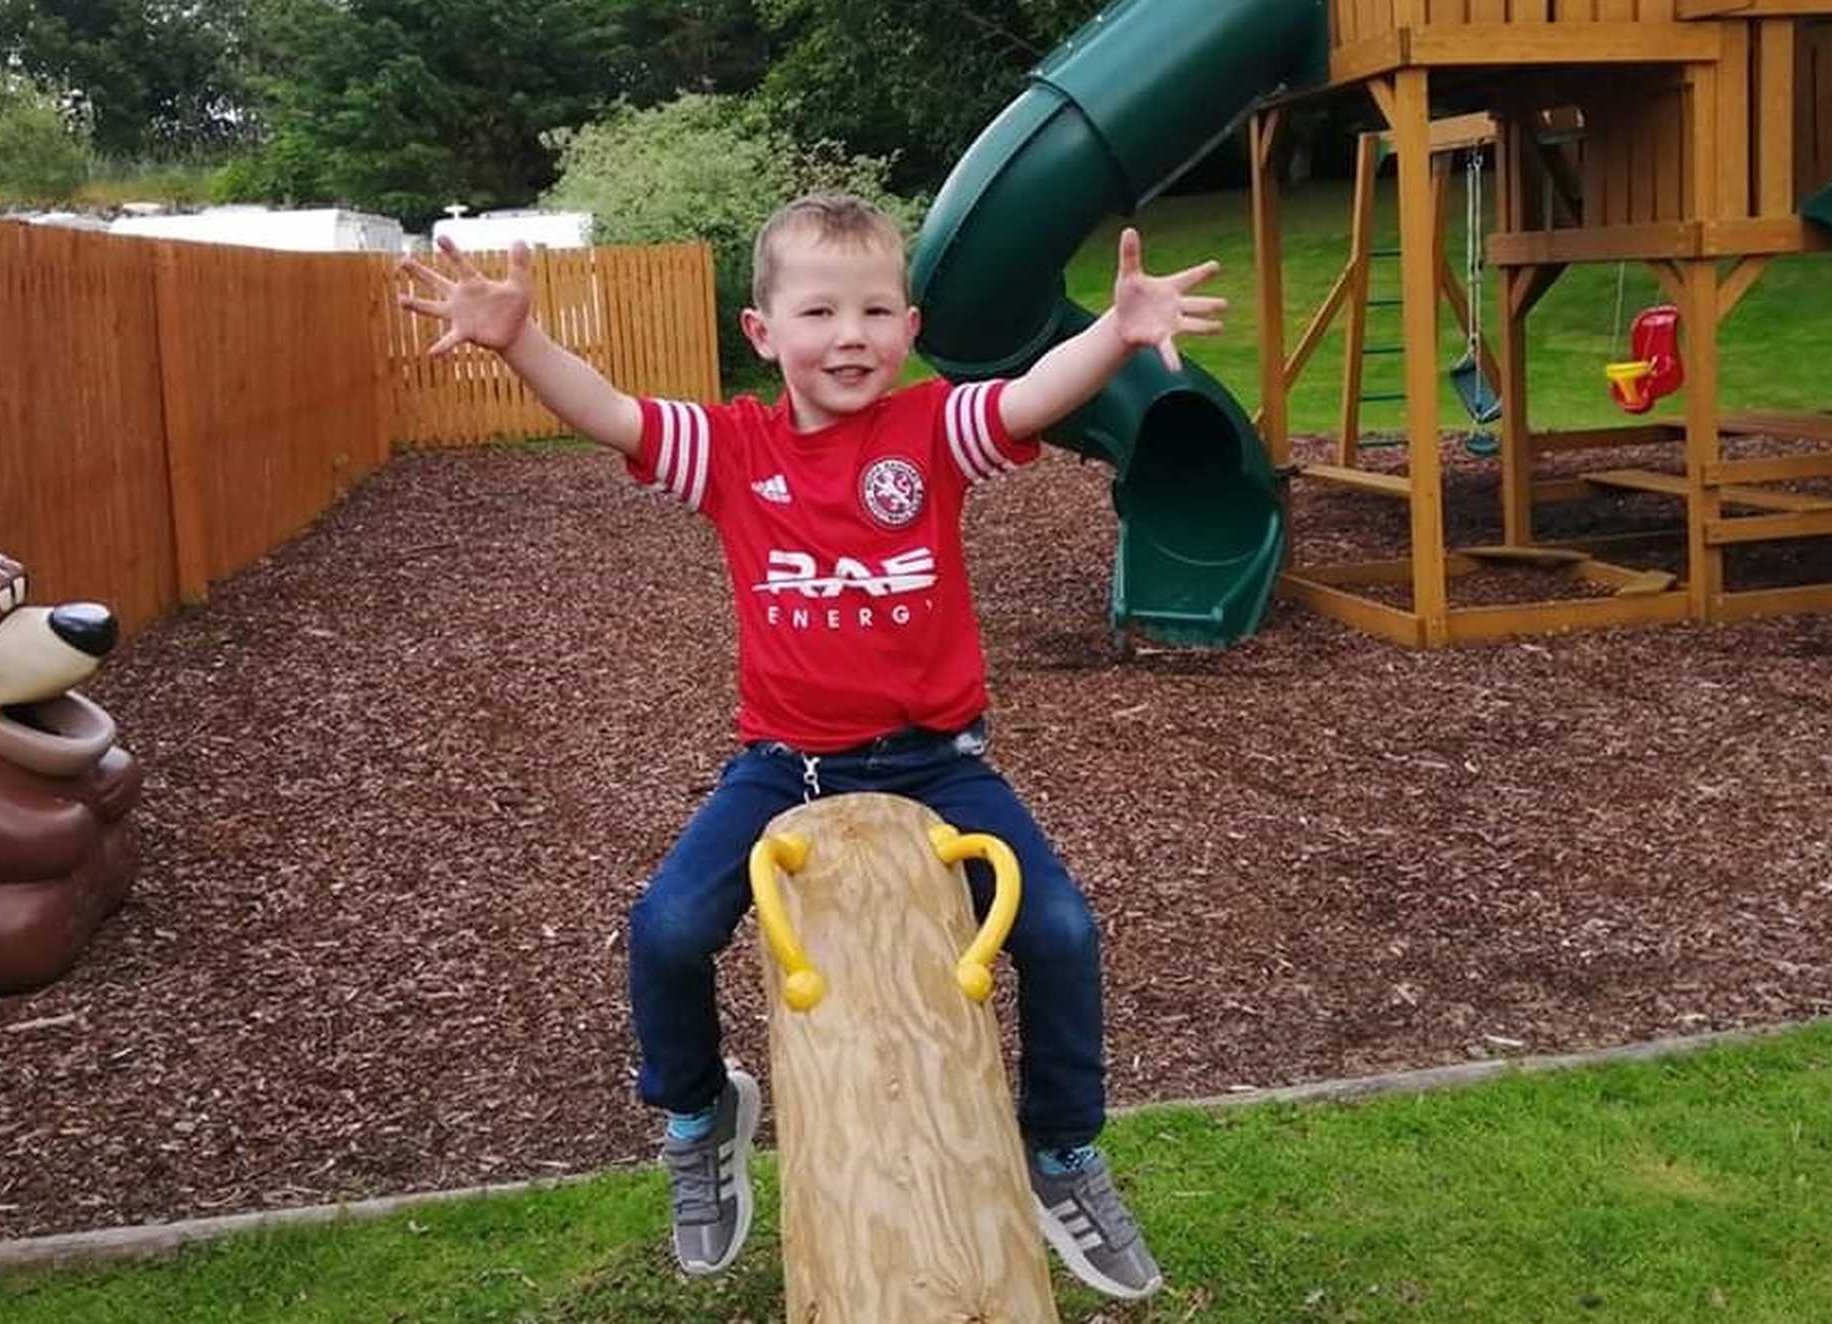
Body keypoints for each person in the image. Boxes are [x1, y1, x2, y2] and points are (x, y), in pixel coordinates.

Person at [397, 194, 1224, 1301]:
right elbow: (610, 414)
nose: (851, 335)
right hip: (785, 762)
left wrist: (1114, 334)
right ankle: (699, 1114)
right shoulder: (732, 450)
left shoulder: (929, 431)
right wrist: (521, 340)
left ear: (909, 323)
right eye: (821, 311)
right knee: (668, 928)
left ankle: (1062, 1150)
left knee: (1063, 929)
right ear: (763, 332)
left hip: (938, 759)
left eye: (878, 310)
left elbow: (1031, 396)